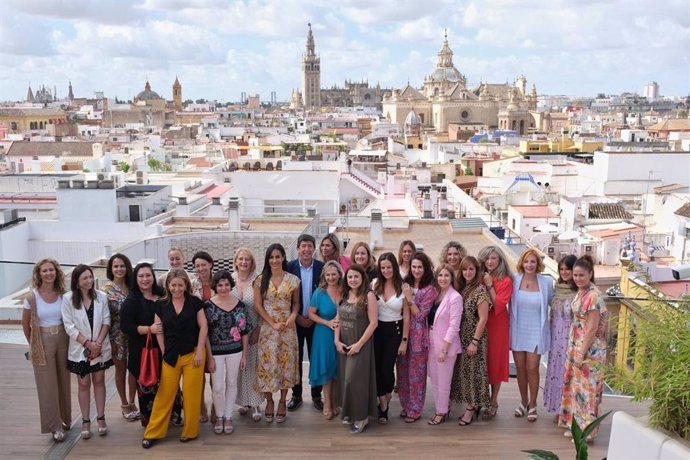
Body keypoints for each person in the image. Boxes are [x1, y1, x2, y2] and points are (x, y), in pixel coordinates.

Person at [142, 269, 208, 448]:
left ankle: (190, 431)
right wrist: (163, 351)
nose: (177, 288)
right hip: (171, 356)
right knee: (164, 395)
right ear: (168, 286)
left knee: (191, 395)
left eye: (180, 285)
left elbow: (203, 327)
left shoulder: (195, 303)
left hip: (192, 354)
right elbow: (159, 330)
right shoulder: (161, 305)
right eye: (174, 285)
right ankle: (153, 433)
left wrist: (200, 351)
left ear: (186, 285)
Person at [121, 262, 182, 427]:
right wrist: (149, 329)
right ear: (136, 278)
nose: (145, 279)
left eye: (148, 275)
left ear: (153, 277)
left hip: (167, 348)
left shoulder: (163, 294)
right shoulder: (132, 301)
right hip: (143, 351)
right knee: (148, 386)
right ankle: (152, 422)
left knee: (170, 382)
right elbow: (126, 327)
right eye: (141, 276)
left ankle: (173, 415)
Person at [559, 255, 609, 442]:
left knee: (588, 390)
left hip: (589, 350)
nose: (578, 278)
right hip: (577, 345)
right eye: (576, 275)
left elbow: (592, 329)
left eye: (582, 275)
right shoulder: (581, 292)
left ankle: (587, 432)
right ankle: (576, 425)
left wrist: (581, 353)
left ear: (590, 274)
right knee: (576, 387)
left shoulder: (593, 296)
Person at [22, 259, 71, 442]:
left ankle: (65, 419)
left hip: (62, 338)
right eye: (45, 270)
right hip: (42, 340)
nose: (49, 273)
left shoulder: (63, 294)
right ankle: (54, 426)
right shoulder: (32, 297)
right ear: (39, 274)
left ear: (56, 272)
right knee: (46, 385)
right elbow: (25, 324)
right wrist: (33, 345)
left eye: (51, 270)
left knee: (64, 381)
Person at [61, 264, 113, 439]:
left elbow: (107, 320)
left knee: (99, 381)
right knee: (83, 384)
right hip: (80, 349)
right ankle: (85, 420)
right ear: (77, 281)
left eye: (90, 277)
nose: (89, 280)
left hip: (100, 346)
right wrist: (87, 343)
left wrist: (97, 343)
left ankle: (101, 417)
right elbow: (69, 326)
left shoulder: (101, 297)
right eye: (85, 278)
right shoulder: (68, 300)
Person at [254, 243, 300, 423]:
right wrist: (271, 323)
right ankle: (269, 401)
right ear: (267, 259)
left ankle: (282, 401)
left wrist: (292, 317)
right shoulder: (260, 280)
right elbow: (258, 305)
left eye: (278, 256)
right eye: (271, 257)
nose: (274, 260)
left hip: (287, 328)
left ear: (283, 258)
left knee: (285, 365)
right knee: (267, 365)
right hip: (268, 328)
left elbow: (296, 303)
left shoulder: (293, 280)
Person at [510, 248, 554, 422]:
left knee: (533, 368)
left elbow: (554, 301)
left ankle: (533, 404)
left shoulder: (546, 282)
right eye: (527, 261)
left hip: (537, 331)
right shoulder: (514, 280)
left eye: (533, 262)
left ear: (538, 264)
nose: (529, 265)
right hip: (518, 329)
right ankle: (523, 401)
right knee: (520, 369)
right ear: (522, 263)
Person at [205, 270, 250, 435]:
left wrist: (244, 355)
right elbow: (205, 334)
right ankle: (219, 416)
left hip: (235, 350)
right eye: (220, 285)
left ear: (231, 285)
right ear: (215, 286)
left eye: (226, 284)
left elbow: (244, 331)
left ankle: (228, 416)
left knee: (232, 383)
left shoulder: (239, 305)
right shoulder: (208, 305)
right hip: (215, 352)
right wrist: (209, 356)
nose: (223, 288)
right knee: (217, 386)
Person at [335, 264, 378, 434]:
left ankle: (362, 418)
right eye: (350, 277)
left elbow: (374, 323)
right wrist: (336, 341)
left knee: (355, 381)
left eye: (356, 277)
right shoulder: (344, 295)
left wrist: (359, 344)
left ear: (362, 278)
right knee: (346, 381)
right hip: (344, 344)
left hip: (361, 344)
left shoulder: (369, 296)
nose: (353, 280)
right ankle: (350, 414)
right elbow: (337, 319)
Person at [451, 256, 492, 426]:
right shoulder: (463, 288)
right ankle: (470, 404)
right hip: (462, 336)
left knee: (475, 372)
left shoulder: (480, 291)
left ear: (477, 272)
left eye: (471, 269)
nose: (468, 272)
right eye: (465, 269)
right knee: (465, 373)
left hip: (475, 337)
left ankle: (471, 407)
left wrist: (474, 341)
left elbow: (483, 319)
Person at [398, 251, 437, 423]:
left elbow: (421, 316)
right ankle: (405, 405)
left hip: (419, 337)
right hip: (402, 333)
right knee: (402, 373)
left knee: (416, 376)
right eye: (413, 266)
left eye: (419, 267)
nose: (416, 270)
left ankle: (415, 409)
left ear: (425, 268)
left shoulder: (430, 289)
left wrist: (409, 299)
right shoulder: (404, 284)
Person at [287, 234, 324, 412]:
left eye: (310, 246)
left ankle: (317, 395)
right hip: (295, 321)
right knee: (296, 359)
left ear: (314, 248)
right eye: (303, 246)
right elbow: (285, 297)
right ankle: (296, 395)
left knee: (316, 359)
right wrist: (297, 317)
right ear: (298, 249)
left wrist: (313, 317)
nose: (307, 250)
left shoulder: (322, 268)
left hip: (316, 322)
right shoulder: (289, 268)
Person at [371, 252, 409, 424]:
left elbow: (407, 317)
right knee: (376, 369)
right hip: (377, 330)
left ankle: (386, 396)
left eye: (389, 267)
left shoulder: (404, 287)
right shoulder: (374, 284)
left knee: (387, 370)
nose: (386, 270)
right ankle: (383, 405)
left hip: (395, 330)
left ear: (394, 266)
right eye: (383, 267)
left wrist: (404, 341)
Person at [102, 253, 140, 421]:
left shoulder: (134, 286)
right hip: (116, 334)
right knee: (120, 369)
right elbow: (103, 317)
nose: (119, 269)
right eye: (116, 266)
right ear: (111, 269)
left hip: (134, 332)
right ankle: (124, 403)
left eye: (122, 266)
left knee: (134, 369)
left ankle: (133, 401)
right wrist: (108, 340)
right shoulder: (105, 290)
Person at [477, 245, 513, 420]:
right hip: (479, 324)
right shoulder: (479, 277)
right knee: (481, 361)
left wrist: (490, 286)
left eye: (494, 258)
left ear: (500, 261)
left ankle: (493, 401)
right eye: (487, 258)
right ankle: (480, 399)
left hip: (497, 325)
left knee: (495, 363)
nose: (490, 262)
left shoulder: (505, 280)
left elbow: (498, 306)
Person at [427, 264, 463, 426]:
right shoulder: (436, 295)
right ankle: (441, 407)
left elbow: (454, 326)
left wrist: (444, 348)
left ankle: (441, 412)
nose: (443, 278)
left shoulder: (455, 298)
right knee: (434, 379)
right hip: (431, 341)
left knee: (444, 381)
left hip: (445, 346)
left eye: (446, 276)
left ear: (451, 278)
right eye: (440, 275)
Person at [307, 260, 343, 419]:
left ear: (339, 274)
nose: (331, 277)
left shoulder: (345, 290)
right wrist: (327, 322)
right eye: (327, 275)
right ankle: (327, 403)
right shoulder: (319, 293)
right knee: (327, 369)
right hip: (323, 335)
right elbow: (311, 314)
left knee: (338, 369)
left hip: (343, 335)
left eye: (333, 274)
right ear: (324, 276)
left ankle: (336, 402)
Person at [544, 255, 577, 420]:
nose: (564, 272)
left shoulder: (580, 291)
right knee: (557, 372)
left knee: (568, 374)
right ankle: (558, 409)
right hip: (556, 339)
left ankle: (568, 411)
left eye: (568, 269)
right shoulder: (557, 288)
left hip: (571, 338)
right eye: (562, 269)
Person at [232, 248, 264, 422]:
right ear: (236, 261)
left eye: (247, 260)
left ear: (252, 263)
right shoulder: (229, 279)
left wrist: (258, 330)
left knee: (253, 366)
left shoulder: (258, 280)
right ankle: (244, 402)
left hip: (253, 330)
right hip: (234, 333)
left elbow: (263, 307)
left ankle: (256, 403)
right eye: (241, 259)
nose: (244, 262)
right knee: (239, 368)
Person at [191, 250, 214, 423]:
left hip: (217, 335)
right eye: (197, 266)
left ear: (210, 264)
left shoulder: (220, 281)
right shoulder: (191, 284)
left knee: (215, 375)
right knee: (199, 375)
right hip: (197, 333)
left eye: (203, 265)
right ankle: (201, 407)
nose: (200, 269)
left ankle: (216, 407)